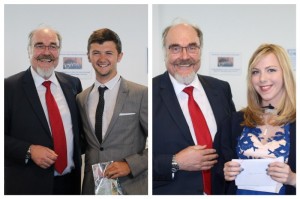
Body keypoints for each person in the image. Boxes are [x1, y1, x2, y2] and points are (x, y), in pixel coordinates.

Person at [152, 21, 236, 195]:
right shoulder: (149, 94)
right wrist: (175, 162)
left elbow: (233, 141)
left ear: (200, 51)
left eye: (192, 47)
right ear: (165, 52)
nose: (184, 56)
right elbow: (137, 159)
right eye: (175, 48)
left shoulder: (221, 89)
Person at [4, 26, 83, 194]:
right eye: (39, 45)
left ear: (58, 51)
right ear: (29, 50)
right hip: (28, 186)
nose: (46, 52)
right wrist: (28, 150)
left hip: (70, 184)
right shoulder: (8, 88)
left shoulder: (73, 84)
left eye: (53, 46)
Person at [76, 28, 148, 195]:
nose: (102, 59)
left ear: (119, 56)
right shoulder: (81, 98)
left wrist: (130, 164)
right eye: (96, 53)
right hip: (91, 188)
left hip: (130, 186)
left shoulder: (141, 94)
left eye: (108, 53)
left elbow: (160, 143)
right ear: (88, 56)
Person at [221, 43, 296, 195]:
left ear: (285, 74)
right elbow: (218, 171)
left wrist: (293, 179)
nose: (262, 78)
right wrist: (225, 172)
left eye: (271, 70)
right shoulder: (233, 122)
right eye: (256, 72)